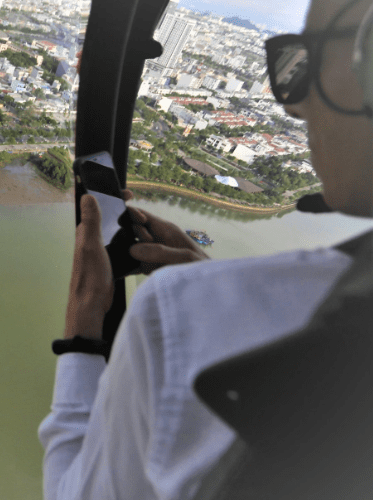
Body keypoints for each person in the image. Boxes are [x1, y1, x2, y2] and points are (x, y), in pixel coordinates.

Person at [39, 0, 373, 499]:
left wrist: (82, 337)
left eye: (300, 61)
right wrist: (219, 291)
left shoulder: (178, 316)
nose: (292, 104)